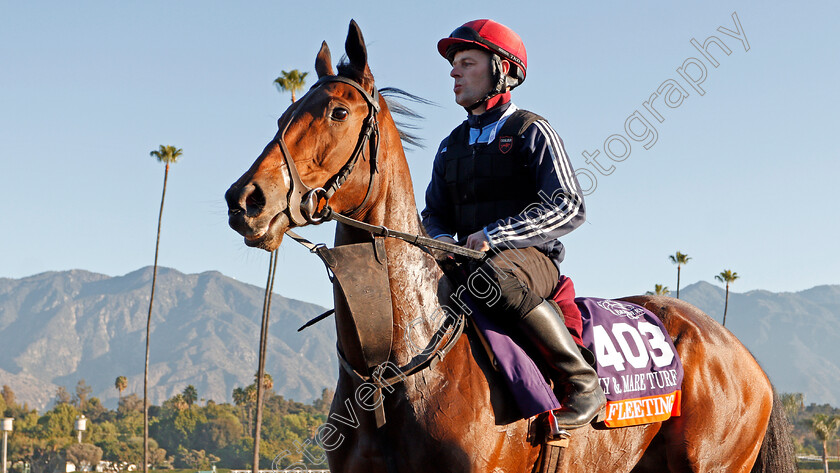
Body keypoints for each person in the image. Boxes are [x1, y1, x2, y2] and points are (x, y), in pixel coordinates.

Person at [421, 19, 605, 429]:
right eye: (454, 64)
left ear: (502, 69)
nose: (454, 72)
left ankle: (582, 381)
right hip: (463, 261)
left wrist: (492, 236)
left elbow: (570, 205)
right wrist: (438, 240)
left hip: (530, 260)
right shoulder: (449, 144)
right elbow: (432, 213)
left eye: (466, 62)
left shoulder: (531, 130)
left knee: (490, 275)